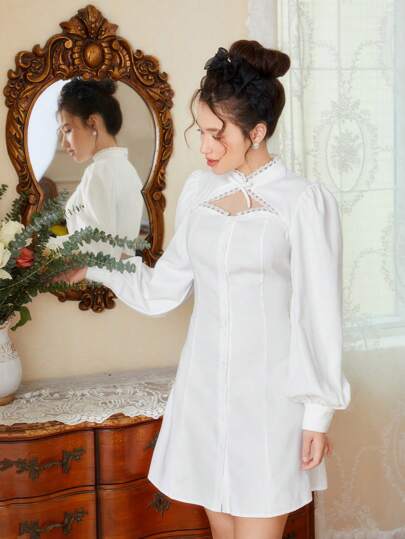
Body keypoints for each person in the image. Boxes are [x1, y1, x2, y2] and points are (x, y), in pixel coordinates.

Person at [53, 41, 351, 539]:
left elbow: (319, 315)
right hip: (204, 396)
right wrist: (97, 267)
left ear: (256, 132)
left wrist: (318, 416)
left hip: (270, 403)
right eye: (201, 130)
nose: (206, 146)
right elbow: (162, 290)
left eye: (218, 133)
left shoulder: (302, 202)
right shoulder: (199, 192)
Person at [47, 77, 144, 260]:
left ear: (93, 123)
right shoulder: (127, 169)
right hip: (120, 273)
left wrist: (47, 248)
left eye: (68, 130)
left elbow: (100, 248)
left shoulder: (100, 171)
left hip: (99, 275)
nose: (64, 143)